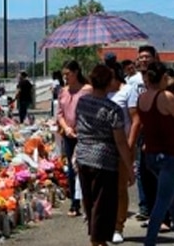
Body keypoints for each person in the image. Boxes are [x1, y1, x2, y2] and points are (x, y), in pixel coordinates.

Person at [73, 63, 135, 246]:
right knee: (103, 205)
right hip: (104, 160)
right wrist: (130, 168)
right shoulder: (112, 109)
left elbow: (79, 127)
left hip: (83, 156)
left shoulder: (82, 102)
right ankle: (97, 241)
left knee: (90, 202)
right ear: (109, 82)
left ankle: (96, 239)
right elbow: (120, 141)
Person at [137, 62, 174, 246]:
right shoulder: (166, 97)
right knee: (163, 201)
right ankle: (150, 241)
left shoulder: (142, 98)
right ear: (163, 77)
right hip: (170, 154)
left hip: (152, 154)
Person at [127, 45, 160, 221]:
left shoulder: (162, 78)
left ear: (154, 58)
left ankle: (162, 209)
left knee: (158, 170)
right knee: (141, 169)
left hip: (159, 131)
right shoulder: (133, 81)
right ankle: (145, 206)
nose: (144, 60)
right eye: (141, 57)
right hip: (140, 130)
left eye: (147, 57)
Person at [105, 56, 133, 244]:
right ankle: (106, 223)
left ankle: (118, 226)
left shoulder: (127, 91)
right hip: (103, 147)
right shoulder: (100, 93)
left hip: (121, 145)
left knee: (120, 188)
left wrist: (129, 146)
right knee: (105, 189)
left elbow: (135, 119)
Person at [57, 60, 87, 217]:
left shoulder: (86, 90)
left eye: (68, 74)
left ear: (76, 73)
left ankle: (87, 200)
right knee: (71, 167)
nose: (65, 77)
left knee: (84, 167)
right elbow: (60, 113)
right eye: (64, 75)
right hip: (68, 134)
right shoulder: (63, 91)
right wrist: (66, 128)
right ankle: (75, 203)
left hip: (83, 134)